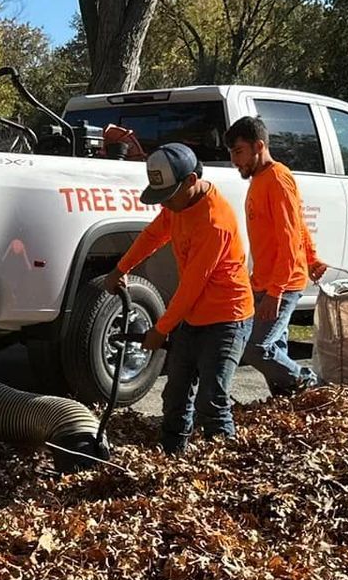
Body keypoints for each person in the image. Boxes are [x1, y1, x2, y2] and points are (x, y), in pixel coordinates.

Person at [103, 143, 254, 455]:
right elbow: (153, 235)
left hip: (228, 319)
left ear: (191, 180)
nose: (166, 205)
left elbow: (192, 287)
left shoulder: (214, 221)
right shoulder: (178, 205)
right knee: (175, 396)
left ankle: (223, 469)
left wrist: (161, 330)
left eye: (169, 196)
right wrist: (120, 268)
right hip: (193, 317)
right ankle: (172, 457)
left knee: (211, 400)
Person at [223, 116, 326, 395]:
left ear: (259, 145)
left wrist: (276, 291)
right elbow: (299, 224)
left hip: (283, 283)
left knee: (257, 348)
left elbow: (289, 237)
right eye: (232, 153)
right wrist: (313, 258)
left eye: (239, 152)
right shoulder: (259, 179)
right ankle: (287, 402)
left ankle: (312, 384)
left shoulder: (278, 179)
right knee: (275, 347)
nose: (235, 161)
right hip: (264, 281)